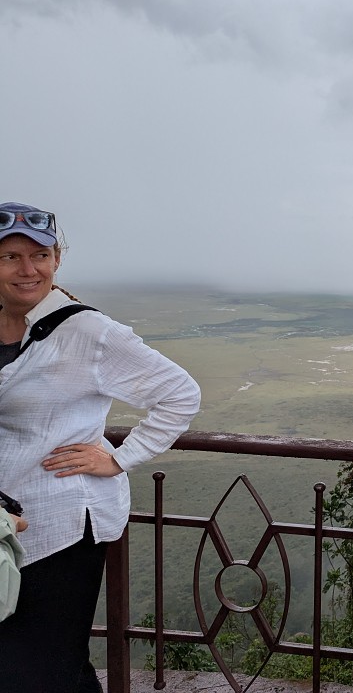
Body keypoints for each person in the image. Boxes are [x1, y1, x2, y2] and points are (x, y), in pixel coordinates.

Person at [0, 202, 201, 693]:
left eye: (40, 255)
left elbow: (180, 393)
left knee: (41, 667)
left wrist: (119, 458)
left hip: (63, 522)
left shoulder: (86, 332)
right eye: (10, 257)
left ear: (57, 259)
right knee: (33, 664)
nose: (28, 269)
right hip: (8, 521)